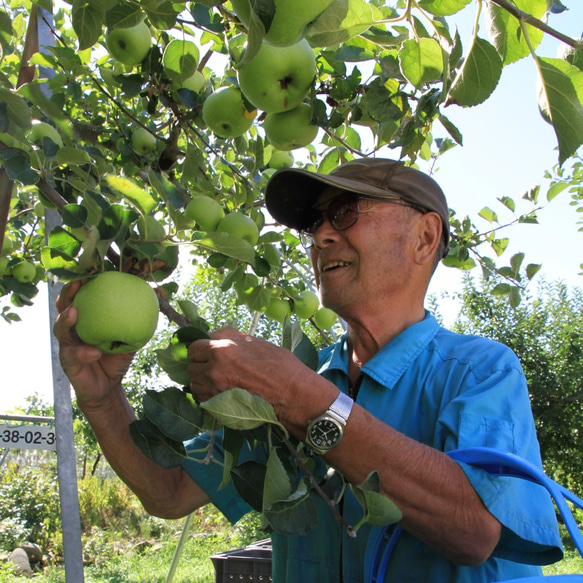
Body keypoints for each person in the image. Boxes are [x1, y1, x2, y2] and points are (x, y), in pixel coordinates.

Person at [54, 158, 563, 582]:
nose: (320, 236)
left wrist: (304, 402)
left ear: (425, 238)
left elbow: (476, 529)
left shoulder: (478, 371)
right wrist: (100, 396)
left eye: (344, 213)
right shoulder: (297, 380)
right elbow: (167, 492)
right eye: (313, 224)